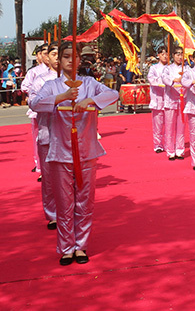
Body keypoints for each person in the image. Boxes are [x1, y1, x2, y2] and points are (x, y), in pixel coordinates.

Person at [30, 42, 119, 265]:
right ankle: (66, 247)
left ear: (80, 60)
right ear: (59, 60)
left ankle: (81, 246)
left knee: (85, 201)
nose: (71, 60)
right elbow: (35, 103)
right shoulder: (51, 85)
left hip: (87, 151)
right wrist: (62, 97)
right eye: (66, 56)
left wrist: (91, 100)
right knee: (64, 201)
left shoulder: (89, 83)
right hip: (61, 152)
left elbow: (113, 94)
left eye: (75, 56)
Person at [26, 44, 59, 227]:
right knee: (48, 177)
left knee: (69, 177)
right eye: (51, 54)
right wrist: (55, 102)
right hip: (47, 133)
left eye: (57, 54)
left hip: (68, 137)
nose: (54, 57)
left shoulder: (71, 79)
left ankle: (67, 210)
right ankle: (52, 213)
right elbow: (33, 102)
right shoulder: (39, 80)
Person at [21, 45, 49, 177]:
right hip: (38, 110)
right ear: (39, 56)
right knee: (39, 138)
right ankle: (40, 165)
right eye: (45, 53)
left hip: (55, 110)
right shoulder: (34, 72)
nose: (48, 56)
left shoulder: (60, 71)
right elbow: (25, 86)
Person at [161, 47, 186, 160]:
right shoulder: (167, 69)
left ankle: (180, 150)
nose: (180, 57)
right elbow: (165, 79)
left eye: (181, 54)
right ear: (173, 55)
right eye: (177, 54)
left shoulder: (187, 69)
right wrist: (175, 80)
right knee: (170, 127)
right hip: (171, 100)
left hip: (183, 101)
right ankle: (170, 150)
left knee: (181, 127)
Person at [147, 47, 169, 153]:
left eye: (166, 53)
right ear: (158, 55)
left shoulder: (171, 68)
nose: (165, 55)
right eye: (162, 53)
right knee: (158, 124)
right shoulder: (154, 68)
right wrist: (162, 82)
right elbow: (151, 79)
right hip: (158, 98)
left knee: (169, 124)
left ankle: (169, 143)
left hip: (169, 99)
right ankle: (158, 144)